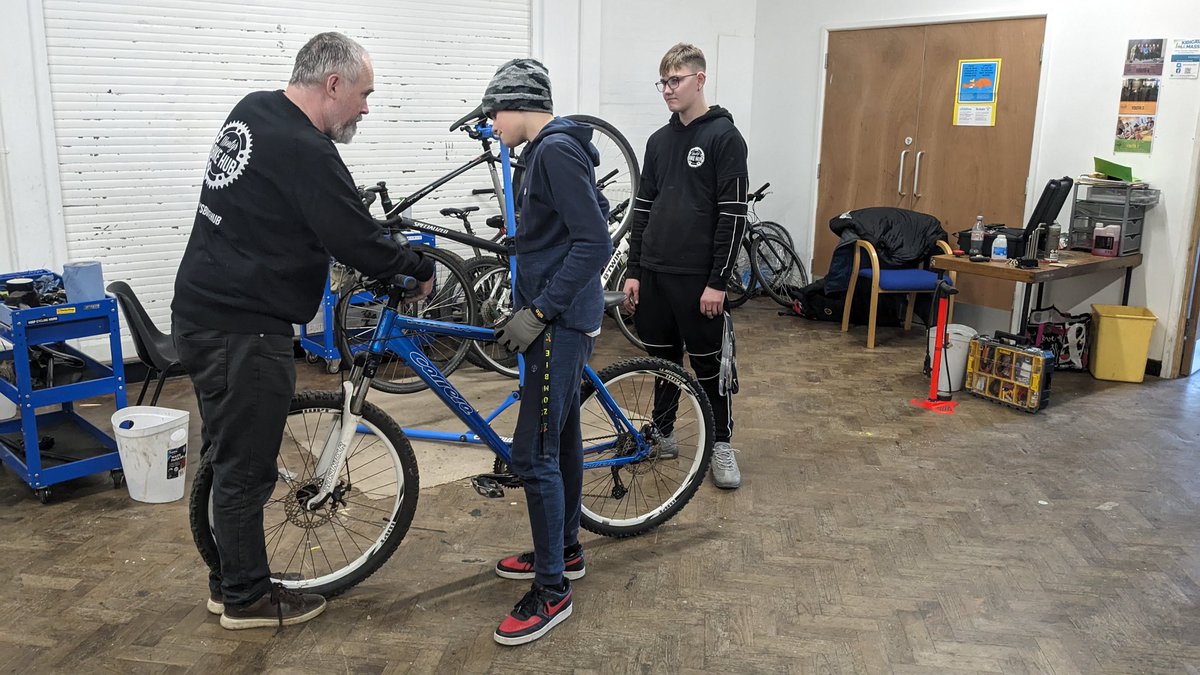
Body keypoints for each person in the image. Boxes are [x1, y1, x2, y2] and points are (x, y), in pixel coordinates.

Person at [171, 32, 434, 631]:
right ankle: (246, 599)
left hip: (201, 313)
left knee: (226, 455)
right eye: (364, 94)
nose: (366, 108)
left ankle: (228, 579)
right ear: (332, 84)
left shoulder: (254, 108)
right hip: (243, 330)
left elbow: (288, 209)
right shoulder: (307, 150)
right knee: (247, 468)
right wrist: (415, 268)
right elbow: (354, 237)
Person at [483, 58, 611, 645]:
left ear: (520, 104)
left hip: (556, 323)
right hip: (557, 318)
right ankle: (562, 550)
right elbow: (567, 229)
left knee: (530, 452)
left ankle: (552, 589)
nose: (491, 123)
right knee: (559, 438)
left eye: (495, 112)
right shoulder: (541, 153)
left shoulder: (555, 151)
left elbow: (594, 242)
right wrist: (525, 241)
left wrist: (539, 311)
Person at [622, 42, 749, 489]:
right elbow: (643, 209)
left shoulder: (725, 139)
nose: (667, 90)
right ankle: (664, 432)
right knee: (662, 362)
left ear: (700, 79)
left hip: (699, 281)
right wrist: (634, 269)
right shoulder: (658, 141)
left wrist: (718, 281)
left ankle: (721, 444)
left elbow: (732, 216)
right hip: (655, 272)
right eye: (663, 81)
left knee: (711, 366)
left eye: (675, 80)